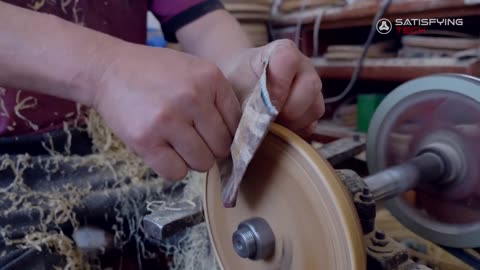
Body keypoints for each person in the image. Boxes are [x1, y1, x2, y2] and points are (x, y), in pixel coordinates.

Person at [0, 0, 324, 181]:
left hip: (125, 150)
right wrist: (104, 69)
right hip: (11, 161)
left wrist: (240, 72)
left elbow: (206, 24)